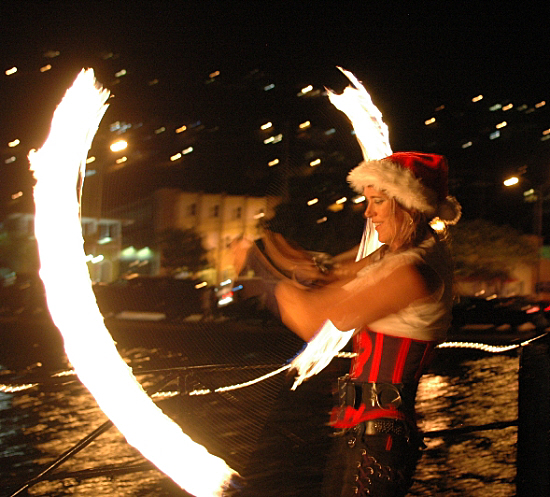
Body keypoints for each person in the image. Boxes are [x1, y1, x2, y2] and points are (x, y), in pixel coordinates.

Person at [233, 151, 460, 496]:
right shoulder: (400, 253)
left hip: (379, 439)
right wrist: (282, 254)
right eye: (368, 201)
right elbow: (331, 275)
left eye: (378, 202)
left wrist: (259, 271)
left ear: (409, 204)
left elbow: (316, 321)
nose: (368, 213)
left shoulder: (412, 271)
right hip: (367, 431)